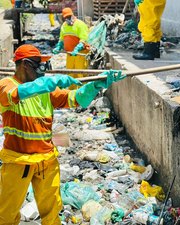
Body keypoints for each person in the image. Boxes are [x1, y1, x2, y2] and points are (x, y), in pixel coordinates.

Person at [0, 44, 125, 224]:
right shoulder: (7, 85)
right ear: (25, 65)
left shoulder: (45, 90)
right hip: (19, 161)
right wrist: (47, 83)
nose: (42, 70)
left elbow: (76, 99)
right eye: (38, 64)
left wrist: (95, 85)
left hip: (46, 160)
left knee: (52, 213)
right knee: (7, 213)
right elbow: (19, 92)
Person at [52, 7, 89, 89]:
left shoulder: (80, 25)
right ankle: (71, 92)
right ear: (64, 18)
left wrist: (77, 49)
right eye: (66, 17)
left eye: (69, 17)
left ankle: (82, 91)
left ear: (73, 15)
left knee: (80, 73)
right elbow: (61, 39)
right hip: (70, 54)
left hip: (80, 53)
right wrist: (58, 47)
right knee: (70, 73)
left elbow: (84, 39)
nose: (68, 19)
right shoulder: (64, 26)